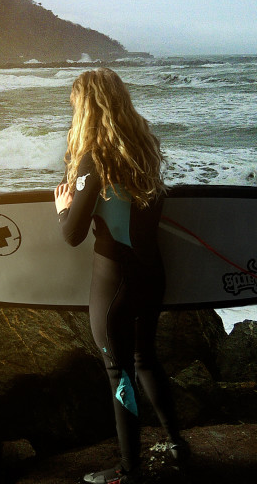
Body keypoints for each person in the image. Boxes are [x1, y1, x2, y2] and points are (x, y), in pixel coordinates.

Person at [54, 68, 189, 484]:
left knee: (118, 373)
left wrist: (64, 206)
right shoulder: (143, 149)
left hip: (115, 283)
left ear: (89, 108)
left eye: (76, 104)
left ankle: (128, 471)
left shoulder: (95, 159)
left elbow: (73, 235)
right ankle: (178, 447)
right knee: (146, 359)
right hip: (152, 274)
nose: (73, 110)